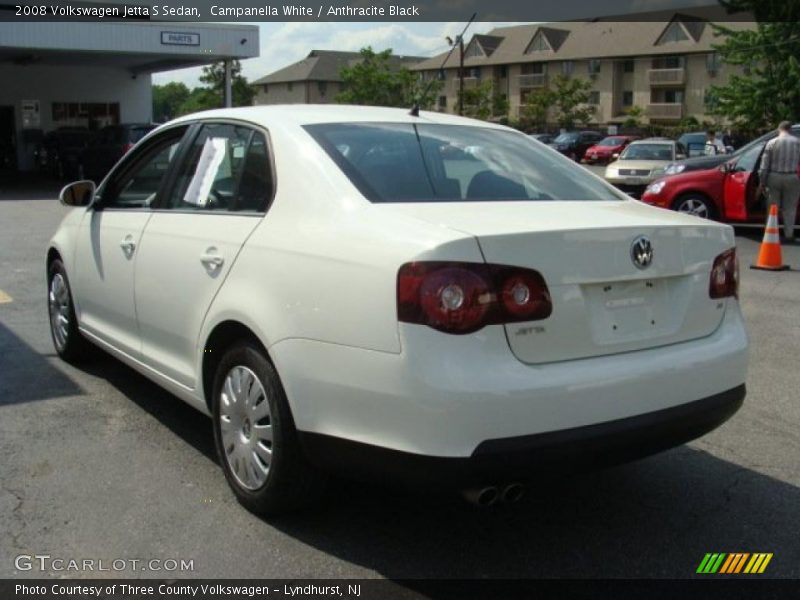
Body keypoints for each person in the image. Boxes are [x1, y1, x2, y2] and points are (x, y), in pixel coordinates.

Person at [758, 120, 800, 243]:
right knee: (790, 207)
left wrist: (762, 182)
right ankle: (788, 234)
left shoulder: (772, 142)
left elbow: (764, 166)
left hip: (774, 176)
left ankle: (771, 233)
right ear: (790, 129)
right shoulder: (797, 142)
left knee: (772, 207)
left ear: (778, 129)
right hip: (792, 176)